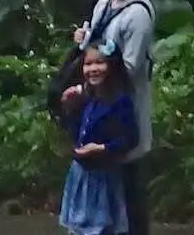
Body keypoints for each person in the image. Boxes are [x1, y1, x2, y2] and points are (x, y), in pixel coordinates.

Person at [73, 0, 155, 235]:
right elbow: (93, 51)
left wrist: (102, 64)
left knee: (130, 189)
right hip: (100, 107)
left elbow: (131, 68)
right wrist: (85, 40)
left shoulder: (139, 14)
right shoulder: (103, 3)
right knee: (108, 194)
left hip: (124, 109)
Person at [57, 45, 140, 235]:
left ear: (111, 65)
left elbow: (130, 138)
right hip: (80, 174)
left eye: (99, 62)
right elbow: (76, 132)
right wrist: (68, 107)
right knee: (77, 228)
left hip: (103, 177)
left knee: (98, 228)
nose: (93, 68)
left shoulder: (120, 101)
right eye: (88, 64)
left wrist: (101, 148)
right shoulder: (87, 96)